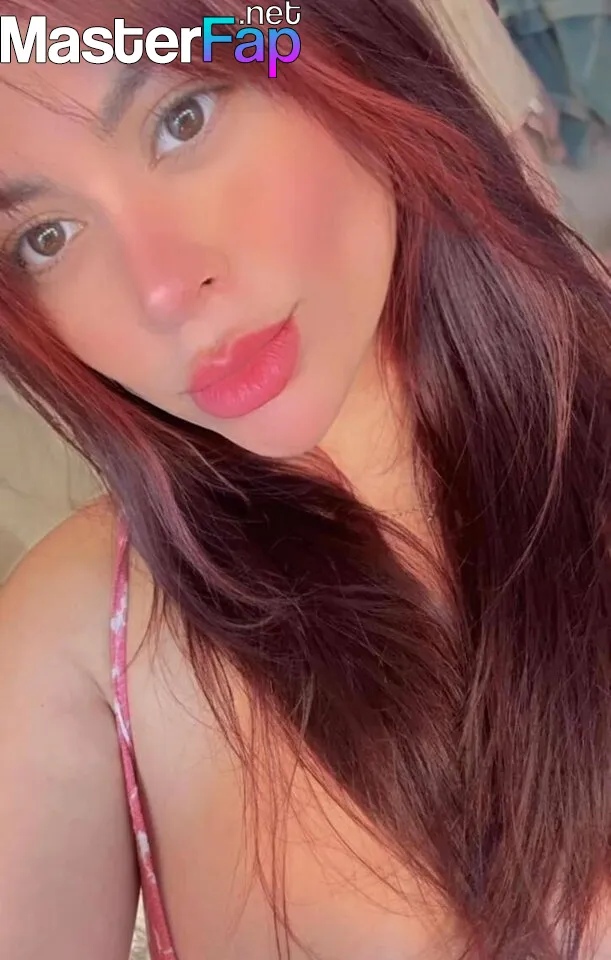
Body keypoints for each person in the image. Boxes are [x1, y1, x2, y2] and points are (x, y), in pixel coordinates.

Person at [1, 2, 610, 958]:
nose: (162, 291)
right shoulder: (72, 642)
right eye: (45, 237)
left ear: (346, 47)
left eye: (183, 119)